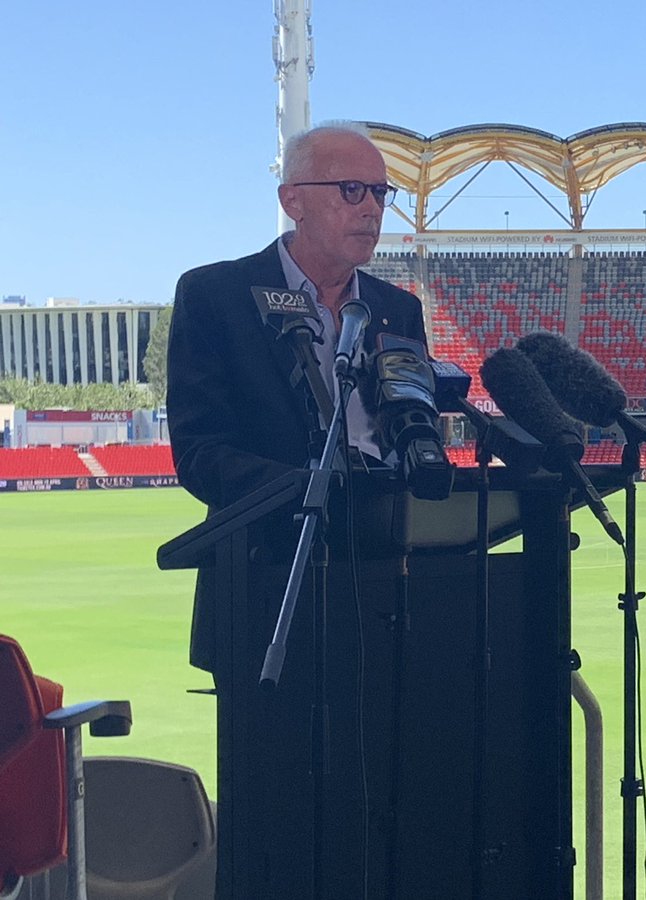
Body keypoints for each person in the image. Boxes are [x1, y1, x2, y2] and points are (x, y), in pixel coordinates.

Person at [167, 122, 427, 900]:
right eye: (352, 190)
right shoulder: (214, 294)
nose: (372, 208)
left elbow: (410, 433)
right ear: (292, 201)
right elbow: (201, 453)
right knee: (272, 831)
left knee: (381, 814)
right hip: (265, 597)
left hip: (386, 596)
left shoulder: (397, 309)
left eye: (381, 193)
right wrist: (315, 488)